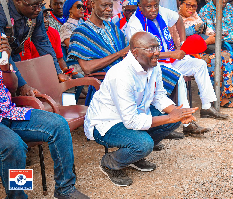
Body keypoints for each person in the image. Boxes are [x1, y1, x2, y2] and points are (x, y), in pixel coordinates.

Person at [85, 31, 198, 186]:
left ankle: (135, 156)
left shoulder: (153, 66)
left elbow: (158, 97)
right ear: (135, 52)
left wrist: (178, 113)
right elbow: (131, 121)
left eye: (157, 47)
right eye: (151, 49)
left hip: (134, 114)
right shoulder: (121, 75)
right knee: (144, 144)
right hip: (107, 123)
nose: (157, 52)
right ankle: (110, 163)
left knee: (173, 122)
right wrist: (170, 116)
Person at [0, 36, 88, 199]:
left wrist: (5, 66)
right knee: (14, 145)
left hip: (8, 112)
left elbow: (12, 86)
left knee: (58, 125)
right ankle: (17, 196)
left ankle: (65, 189)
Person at [126, 0, 229, 119]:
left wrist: (183, 43)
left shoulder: (162, 12)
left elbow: (178, 19)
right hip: (153, 64)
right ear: (140, 7)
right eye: (149, 7)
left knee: (199, 64)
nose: (154, 9)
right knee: (177, 76)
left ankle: (206, 107)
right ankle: (186, 120)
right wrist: (171, 53)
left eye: (156, 5)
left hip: (171, 58)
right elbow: (142, 54)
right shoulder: (135, 24)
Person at [179, 0, 233, 108]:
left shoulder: (196, 17)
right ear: (180, 4)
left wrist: (213, 37)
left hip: (204, 49)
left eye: (194, 6)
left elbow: (209, 31)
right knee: (217, 59)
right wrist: (206, 41)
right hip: (189, 54)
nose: (191, 8)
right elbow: (181, 45)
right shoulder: (176, 20)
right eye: (188, 5)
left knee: (229, 55)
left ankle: (223, 94)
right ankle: (214, 97)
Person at [0, 0, 70, 97]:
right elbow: (2, 52)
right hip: (3, 58)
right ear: (18, 1)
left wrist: (57, 72)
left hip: (14, 57)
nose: (38, 10)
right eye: (34, 5)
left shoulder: (36, 13)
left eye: (40, 5)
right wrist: (23, 85)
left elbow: (43, 43)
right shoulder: (2, 10)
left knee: (16, 95)